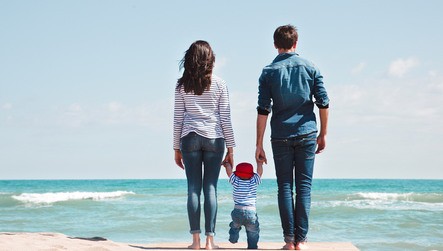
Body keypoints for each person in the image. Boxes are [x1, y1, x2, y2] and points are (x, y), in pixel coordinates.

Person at [255, 25, 329, 250]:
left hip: (280, 136)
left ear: (275, 44)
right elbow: (323, 102)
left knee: (285, 187)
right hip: (307, 133)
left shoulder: (268, 71)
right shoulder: (311, 68)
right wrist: (323, 134)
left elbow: (262, 110)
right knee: (304, 187)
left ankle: (289, 241)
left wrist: (258, 144)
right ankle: (302, 242)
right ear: (296, 43)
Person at [173, 40, 236, 250]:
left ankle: (195, 242)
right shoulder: (220, 84)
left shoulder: (181, 85)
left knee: (193, 188)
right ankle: (210, 242)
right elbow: (225, 118)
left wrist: (175, 148)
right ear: (210, 60)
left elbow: (178, 118)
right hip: (214, 138)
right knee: (210, 188)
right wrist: (231, 148)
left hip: (189, 138)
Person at [222, 162, 263, 249]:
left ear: (237, 173)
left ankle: (233, 239)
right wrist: (260, 163)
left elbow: (229, 172)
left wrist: (227, 165)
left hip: (237, 211)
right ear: (251, 174)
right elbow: (259, 173)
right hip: (251, 212)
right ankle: (252, 246)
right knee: (253, 231)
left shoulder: (236, 181)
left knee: (235, 226)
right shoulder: (254, 181)